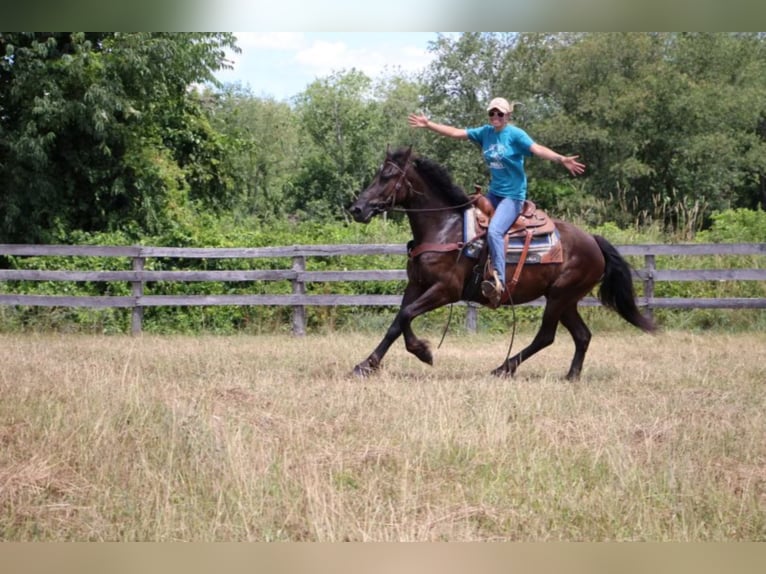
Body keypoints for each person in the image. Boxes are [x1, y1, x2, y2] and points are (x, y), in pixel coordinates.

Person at [408, 97, 586, 307]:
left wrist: (561, 159)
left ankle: (498, 279)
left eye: (500, 114)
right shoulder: (485, 133)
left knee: (494, 231)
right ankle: (468, 269)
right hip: (494, 194)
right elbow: (457, 133)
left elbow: (537, 149)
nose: (495, 117)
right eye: (492, 113)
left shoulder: (515, 135)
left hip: (512, 198)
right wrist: (429, 124)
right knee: (462, 216)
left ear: (508, 115)